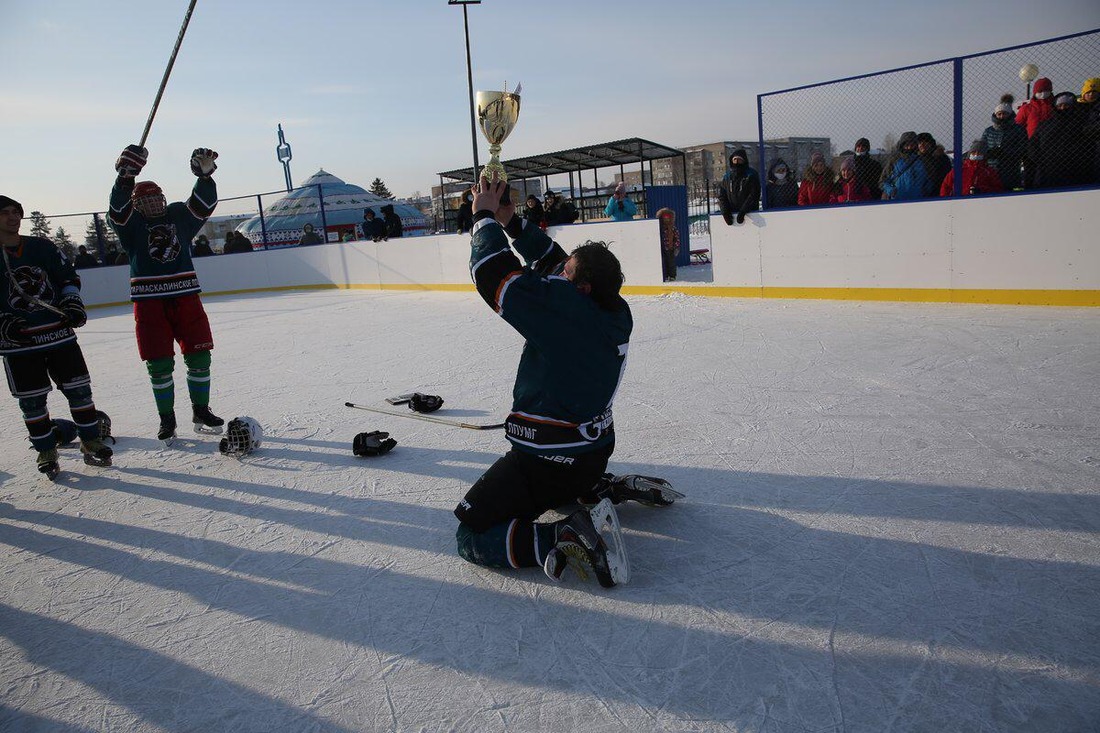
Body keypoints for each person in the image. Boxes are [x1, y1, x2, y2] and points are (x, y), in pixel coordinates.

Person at [452, 173, 673, 589]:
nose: (556, 272)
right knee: (568, 478)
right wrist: (511, 222)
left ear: (581, 288)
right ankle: (592, 488)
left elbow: (492, 275)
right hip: (592, 452)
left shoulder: (566, 315)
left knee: (471, 533)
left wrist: (482, 216)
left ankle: (562, 535)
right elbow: (555, 260)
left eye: (566, 274)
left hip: (546, 463)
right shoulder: (611, 309)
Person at [108, 144, 224, 442]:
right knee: (159, 363)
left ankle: (201, 409)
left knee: (200, 355)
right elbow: (117, 210)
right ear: (136, 205)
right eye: (145, 199)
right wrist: (125, 178)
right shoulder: (130, 225)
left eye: (157, 197)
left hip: (186, 296)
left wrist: (204, 177)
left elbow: (202, 205)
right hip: (149, 304)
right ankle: (167, 418)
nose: (154, 203)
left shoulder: (177, 215)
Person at [0, 195, 113, 477]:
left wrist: (72, 302)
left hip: (58, 335)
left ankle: (91, 441)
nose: (13, 217)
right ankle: (46, 451)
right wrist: (4, 324)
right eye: (5, 213)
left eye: (16, 212)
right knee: (32, 401)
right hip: (19, 345)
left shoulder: (42, 246)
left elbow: (67, 278)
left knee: (79, 390)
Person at [1027, 91, 1095, 189]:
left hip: (1077, 172)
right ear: (1055, 106)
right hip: (1049, 171)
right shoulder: (1045, 125)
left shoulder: (1081, 123)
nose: (1063, 108)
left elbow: (1089, 144)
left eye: (1066, 105)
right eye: (1060, 105)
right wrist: (1042, 161)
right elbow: (1033, 145)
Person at [981, 94, 1028, 190]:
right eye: (999, 114)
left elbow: (1023, 148)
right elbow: (982, 147)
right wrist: (990, 153)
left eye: (1005, 113)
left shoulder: (1018, 130)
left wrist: (1006, 152)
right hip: (992, 170)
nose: (1002, 116)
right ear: (996, 114)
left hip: (1011, 170)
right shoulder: (988, 131)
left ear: (1010, 114)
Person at [880, 131, 931, 200]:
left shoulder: (922, 161)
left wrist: (926, 191)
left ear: (916, 145)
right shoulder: (894, 160)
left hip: (919, 200)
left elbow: (928, 181)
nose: (909, 147)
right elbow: (882, 181)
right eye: (907, 145)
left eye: (912, 144)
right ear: (902, 145)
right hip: (898, 200)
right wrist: (890, 190)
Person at [718, 148, 760, 225]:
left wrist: (743, 211)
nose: (737, 162)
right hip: (733, 214)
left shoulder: (751, 175)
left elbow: (754, 194)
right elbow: (722, 196)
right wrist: (725, 212)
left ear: (744, 160)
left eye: (739, 159)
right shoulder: (727, 177)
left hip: (751, 214)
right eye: (735, 159)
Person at [656, 207, 680, 281]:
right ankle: (665, 275)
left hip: (670, 248)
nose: (666, 220)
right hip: (662, 248)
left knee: (671, 263)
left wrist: (676, 247)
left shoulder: (673, 228)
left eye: (668, 218)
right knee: (664, 263)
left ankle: (672, 275)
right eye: (664, 218)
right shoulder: (660, 228)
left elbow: (677, 238)